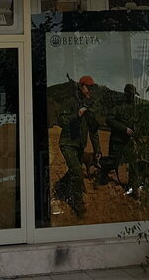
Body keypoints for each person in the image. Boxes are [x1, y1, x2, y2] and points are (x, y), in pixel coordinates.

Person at [55, 74, 101, 218]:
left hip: (79, 145)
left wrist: (97, 150)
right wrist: (77, 114)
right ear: (81, 87)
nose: (90, 90)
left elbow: (93, 131)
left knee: (74, 171)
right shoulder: (70, 101)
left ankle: (60, 187)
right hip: (68, 143)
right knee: (77, 172)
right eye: (88, 87)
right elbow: (61, 121)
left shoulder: (89, 105)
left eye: (92, 88)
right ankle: (78, 206)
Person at [99, 83, 138, 192]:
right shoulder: (118, 106)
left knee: (133, 162)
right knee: (113, 162)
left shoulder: (134, 108)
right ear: (127, 94)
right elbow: (109, 120)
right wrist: (124, 128)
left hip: (129, 140)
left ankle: (132, 187)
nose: (133, 97)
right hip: (117, 140)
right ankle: (102, 176)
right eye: (131, 94)